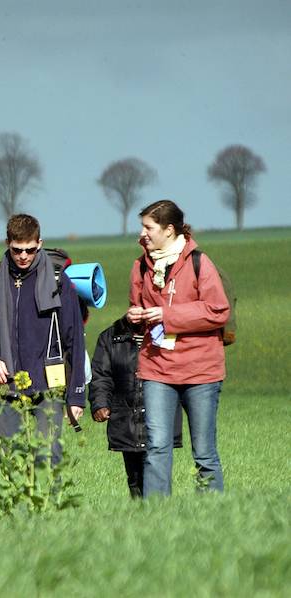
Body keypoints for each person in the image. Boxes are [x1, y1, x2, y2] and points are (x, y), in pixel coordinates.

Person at [127, 200, 229, 497]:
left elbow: (217, 310)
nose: (143, 233)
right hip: (157, 368)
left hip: (201, 370)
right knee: (157, 446)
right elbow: (139, 307)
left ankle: (212, 513)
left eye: (149, 227)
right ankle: (158, 518)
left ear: (169, 230)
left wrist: (167, 316)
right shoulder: (140, 265)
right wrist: (135, 316)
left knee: (204, 452)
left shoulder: (200, 262)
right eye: (143, 227)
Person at [0, 214, 86, 465]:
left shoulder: (58, 281)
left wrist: (76, 397)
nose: (24, 256)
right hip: (7, 382)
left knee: (49, 458)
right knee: (8, 461)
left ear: (40, 243)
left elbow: (74, 340)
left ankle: (48, 506)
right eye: (17, 250)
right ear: (7, 243)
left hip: (49, 384)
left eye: (30, 250)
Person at [90, 315, 183, 498]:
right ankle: (141, 518)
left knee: (157, 470)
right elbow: (102, 376)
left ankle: (159, 515)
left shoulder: (167, 332)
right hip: (126, 417)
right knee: (134, 477)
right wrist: (99, 403)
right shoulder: (111, 337)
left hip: (161, 414)